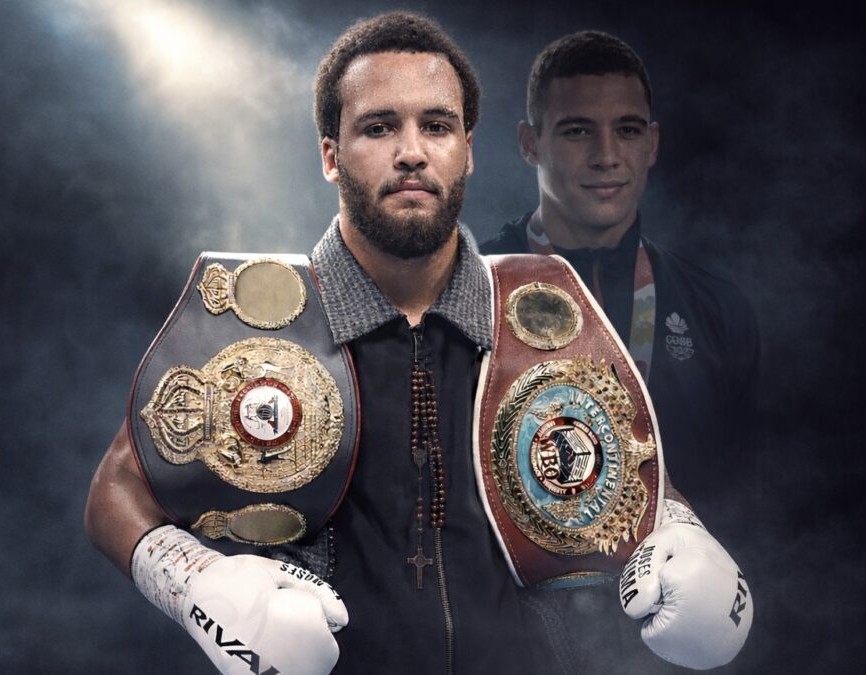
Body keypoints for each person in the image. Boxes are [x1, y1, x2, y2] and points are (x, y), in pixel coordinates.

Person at [86, 13, 751, 674]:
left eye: (436, 125)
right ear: (329, 154)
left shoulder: (545, 306)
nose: (411, 150)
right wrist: (197, 582)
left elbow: (626, 469)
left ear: (469, 148)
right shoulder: (257, 321)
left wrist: (684, 533)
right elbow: (117, 486)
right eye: (379, 127)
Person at [479, 31, 760, 517]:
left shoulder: (719, 311)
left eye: (627, 130)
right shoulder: (470, 291)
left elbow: (749, 499)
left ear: (651, 144)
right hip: (511, 589)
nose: (606, 155)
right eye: (577, 131)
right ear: (530, 144)